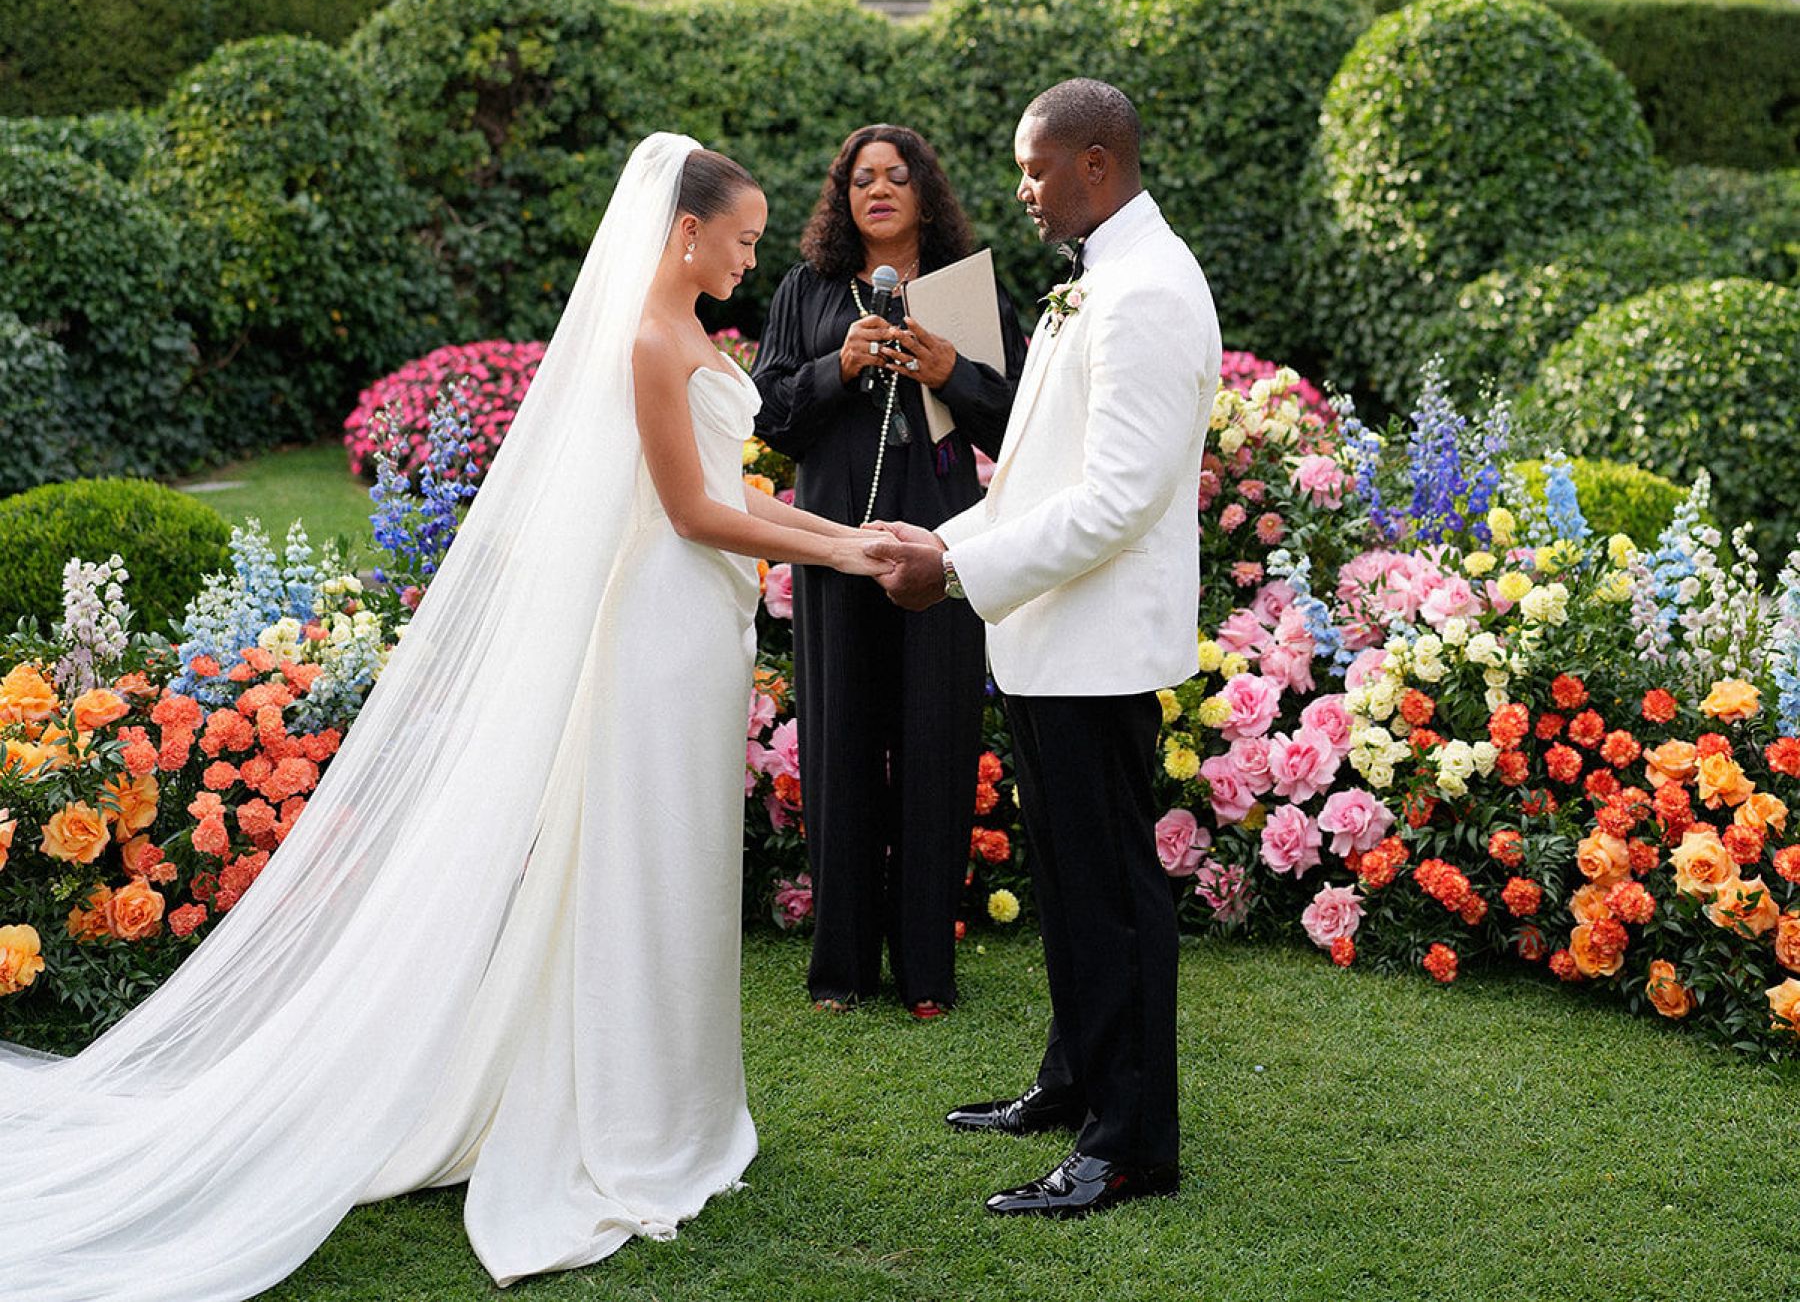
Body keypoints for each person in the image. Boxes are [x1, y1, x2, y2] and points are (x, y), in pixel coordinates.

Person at [0, 134, 886, 1301]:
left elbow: (730, 493)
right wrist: (848, 546)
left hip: (702, 631)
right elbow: (689, 512)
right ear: (686, 232)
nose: (753, 250)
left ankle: (681, 1103)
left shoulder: (696, 336)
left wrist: (844, 543)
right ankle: (629, 1119)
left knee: (682, 866)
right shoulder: (647, 339)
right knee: (644, 863)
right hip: (663, 628)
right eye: (745, 232)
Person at [872, 80, 1220, 1220]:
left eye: (1036, 167)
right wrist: (942, 539)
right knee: (1071, 886)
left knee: (1114, 895)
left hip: (1097, 647)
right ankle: (1075, 1082)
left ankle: (1127, 1143)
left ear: (1098, 163)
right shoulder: (1102, 280)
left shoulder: (1148, 292)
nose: (1020, 188)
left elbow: (1117, 499)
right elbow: (1042, 479)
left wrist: (958, 570)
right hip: (1050, 637)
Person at [753, 125, 1027, 1016]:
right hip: (834, 543)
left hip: (942, 548)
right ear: (843, 197)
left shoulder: (967, 293)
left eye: (896, 177)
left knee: (935, 745)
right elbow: (770, 420)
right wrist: (840, 365)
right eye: (861, 179)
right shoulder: (807, 291)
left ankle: (925, 971)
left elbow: (1022, 427)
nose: (878, 190)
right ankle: (840, 969)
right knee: (838, 746)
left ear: (924, 195)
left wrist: (950, 372)